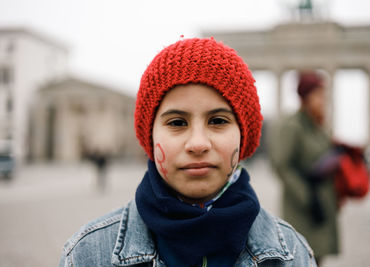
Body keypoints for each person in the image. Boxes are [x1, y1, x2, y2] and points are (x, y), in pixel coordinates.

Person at [59, 37, 317, 267]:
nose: (198, 143)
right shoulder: (86, 255)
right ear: (150, 135)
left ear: (244, 133)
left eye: (218, 121)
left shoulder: (295, 255)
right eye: (177, 123)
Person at [269, 71, 339, 265]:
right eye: (318, 95)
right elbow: (281, 165)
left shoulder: (319, 127)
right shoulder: (292, 126)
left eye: (324, 96)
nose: (323, 100)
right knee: (302, 257)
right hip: (302, 208)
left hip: (322, 205)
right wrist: (307, 197)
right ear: (305, 97)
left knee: (318, 258)